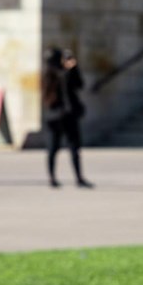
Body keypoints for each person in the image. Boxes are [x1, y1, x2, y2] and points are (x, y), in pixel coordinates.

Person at [41, 47, 93, 188]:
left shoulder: (54, 73)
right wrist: (71, 68)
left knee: (66, 148)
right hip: (60, 116)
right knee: (61, 148)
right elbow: (69, 84)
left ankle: (66, 178)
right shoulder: (54, 74)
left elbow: (79, 85)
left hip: (59, 116)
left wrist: (73, 69)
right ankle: (65, 178)